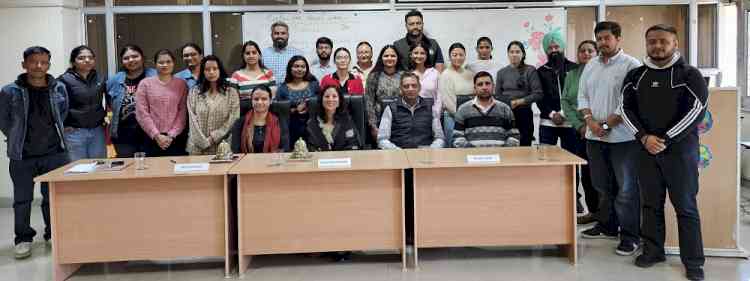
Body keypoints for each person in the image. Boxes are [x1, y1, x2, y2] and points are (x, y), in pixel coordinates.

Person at [621, 24, 707, 281]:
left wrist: (666, 139)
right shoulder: (635, 76)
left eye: (663, 42)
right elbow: (625, 110)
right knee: (650, 205)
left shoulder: (690, 75)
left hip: (680, 153)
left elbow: (696, 111)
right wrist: (644, 137)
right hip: (645, 151)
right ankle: (653, 251)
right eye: (652, 42)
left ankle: (693, 263)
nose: (657, 46)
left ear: (675, 44)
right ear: (646, 44)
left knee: (686, 207)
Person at [577, 21, 642, 257]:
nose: (602, 43)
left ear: (618, 38)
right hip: (595, 137)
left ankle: (630, 236)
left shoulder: (631, 65)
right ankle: (607, 225)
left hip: (623, 138)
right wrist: (591, 122)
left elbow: (630, 103)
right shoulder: (591, 64)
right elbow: (582, 96)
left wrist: (606, 124)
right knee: (602, 185)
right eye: (599, 39)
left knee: (626, 189)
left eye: (607, 38)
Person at [0, 46, 70, 259]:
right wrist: (15, 137)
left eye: (43, 62)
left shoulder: (58, 88)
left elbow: (63, 113)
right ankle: (23, 239)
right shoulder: (9, 91)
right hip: (22, 155)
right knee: (22, 199)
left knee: (53, 198)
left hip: (54, 153)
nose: (38, 66)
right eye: (33, 62)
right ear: (24, 64)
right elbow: (3, 120)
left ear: (49, 64)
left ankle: (52, 234)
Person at [561, 40, 599, 224]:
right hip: (580, 130)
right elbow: (566, 102)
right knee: (585, 172)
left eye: (590, 51)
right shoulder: (572, 75)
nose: (586, 54)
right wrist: (580, 125)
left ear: (596, 53)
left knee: (601, 174)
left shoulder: (602, 73)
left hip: (602, 130)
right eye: (582, 51)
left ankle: (608, 216)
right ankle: (593, 212)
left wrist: (593, 125)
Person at [135, 49, 188, 157]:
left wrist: (171, 135)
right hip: (151, 137)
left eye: (168, 62)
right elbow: (142, 113)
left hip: (175, 139)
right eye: (161, 62)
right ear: (155, 64)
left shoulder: (181, 84)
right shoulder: (145, 84)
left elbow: (182, 112)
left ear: (173, 63)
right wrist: (156, 135)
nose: (165, 65)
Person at [58, 45, 107, 161]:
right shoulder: (64, 80)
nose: (87, 60)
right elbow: (57, 107)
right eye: (81, 58)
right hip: (75, 132)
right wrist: (63, 125)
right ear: (73, 62)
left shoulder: (100, 78)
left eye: (90, 57)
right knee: (78, 169)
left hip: (97, 131)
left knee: (99, 168)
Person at [107, 44, 156, 157]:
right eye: (126, 58)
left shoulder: (155, 76)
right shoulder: (114, 80)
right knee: (128, 169)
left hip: (151, 134)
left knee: (151, 168)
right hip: (123, 135)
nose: (131, 60)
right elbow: (111, 103)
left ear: (142, 57)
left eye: (135, 56)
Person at [186, 55, 240, 155]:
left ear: (220, 70)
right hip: (197, 147)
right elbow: (192, 120)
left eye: (215, 69)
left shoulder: (231, 92)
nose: (211, 72)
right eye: (207, 69)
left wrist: (213, 137)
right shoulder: (194, 92)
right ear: (203, 71)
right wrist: (202, 141)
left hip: (222, 146)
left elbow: (233, 118)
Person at [378, 72, 445, 149]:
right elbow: (382, 139)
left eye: (414, 86)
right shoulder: (391, 108)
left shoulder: (430, 108)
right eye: (406, 86)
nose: (410, 89)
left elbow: (440, 138)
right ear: (401, 89)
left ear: (419, 88)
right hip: (399, 153)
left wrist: (430, 150)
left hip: (425, 154)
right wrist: (397, 151)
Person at [453, 71, 519, 148]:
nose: (484, 87)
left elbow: (514, 137)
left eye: (487, 83)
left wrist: (502, 152)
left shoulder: (505, 109)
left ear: (493, 86)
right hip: (472, 157)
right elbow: (457, 138)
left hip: (500, 157)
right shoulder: (463, 109)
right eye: (480, 84)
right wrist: (474, 152)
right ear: (475, 88)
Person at [495, 41, 543, 146]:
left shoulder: (530, 70)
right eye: (511, 52)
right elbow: (497, 96)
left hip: (524, 114)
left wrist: (518, 102)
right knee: (506, 147)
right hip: (505, 114)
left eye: (517, 52)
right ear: (508, 54)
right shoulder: (501, 72)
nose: (514, 54)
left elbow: (538, 94)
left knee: (524, 146)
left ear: (523, 54)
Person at [538, 30, 578, 153]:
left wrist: (563, 113)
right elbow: (539, 96)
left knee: (572, 160)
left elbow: (577, 95)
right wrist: (552, 114)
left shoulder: (574, 68)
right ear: (546, 51)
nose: (554, 50)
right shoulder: (540, 71)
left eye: (556, 47)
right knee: (546, 160)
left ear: (563, 47)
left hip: (571, 122)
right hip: (547, 122)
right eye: (550, 48)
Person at [366, 45, 406, 144]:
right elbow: (369, 102)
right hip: (379, 122)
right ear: (381, 58)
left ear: (397, 58)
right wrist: (373, 126)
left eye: (393, 56)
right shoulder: (373, 76)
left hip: (400, 122)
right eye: (386, 56)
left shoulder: (404, 75)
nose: (389, 58)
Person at [275, 55, 320, 145]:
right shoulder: (282, 89)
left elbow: (321, 103)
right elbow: (278, 112)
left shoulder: (314, 85)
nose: (299, 69)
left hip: (314, 127)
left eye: (303, 67)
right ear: (290, 68)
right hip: (291, 129)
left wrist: (309, 108)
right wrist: (295, 110)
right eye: (296, 66)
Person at [438, 43, 475, 146]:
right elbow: (448, 101)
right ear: (450, 57)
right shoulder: (445, 74)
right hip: (452, 118)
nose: (458, 57)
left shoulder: (470, 74)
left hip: (470, 117)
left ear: (465, 56)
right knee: (454, 148)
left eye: (461, 55)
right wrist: (462, 117)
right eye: (455, 55)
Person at [306, 85, 361, 151]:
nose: (330, 99)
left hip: (342, 159)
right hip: (319, 159)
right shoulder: (312, 123)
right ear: (321, 100)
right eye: (327, 96)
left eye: (334, 96)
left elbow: (353, 145)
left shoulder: (347, 121)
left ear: (339, 101)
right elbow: (309, 147)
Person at [231, 40, 276, 116]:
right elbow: (233, 102)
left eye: (254, 52)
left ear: (259, 55)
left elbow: (272, 99)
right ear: (243, 56)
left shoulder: (268, 74)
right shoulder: (236, 76)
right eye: (247, 53)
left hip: (267, 116)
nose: (251, 55)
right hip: (244, 116)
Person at [239, 85, 285, 153]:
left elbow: (285, 148)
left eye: (264, 99)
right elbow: (235, 151)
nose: (259, 102)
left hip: (273, 161)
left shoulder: (279, 122)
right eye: (256, 99)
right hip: (247, 161)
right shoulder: (240, 122)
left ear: (270, 101)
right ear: (251, 101)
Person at [408, 42, 442, 117]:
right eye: (416, 53)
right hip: (413, 115)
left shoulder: (434, 73)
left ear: (427, 55)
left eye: (422, 53)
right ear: (411, 55)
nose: (419, 56)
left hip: (433, 114)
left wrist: (436, 114)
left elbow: (439, 96)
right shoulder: (408, 75)